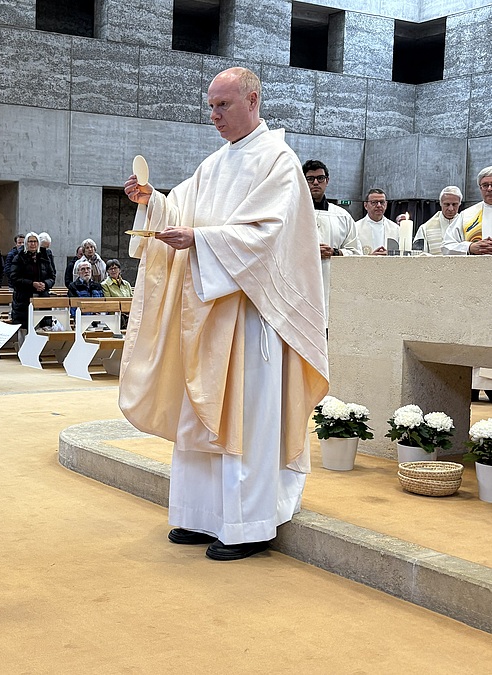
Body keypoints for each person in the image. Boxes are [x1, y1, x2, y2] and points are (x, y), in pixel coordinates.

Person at [121, 67, 328, 561]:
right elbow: (183, 213)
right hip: (208, 312)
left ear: (252, 100)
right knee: (200, 411)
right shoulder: (215, 164)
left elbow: (269, 235)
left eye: (223, 106)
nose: (213, 116)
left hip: (253, 313)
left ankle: (249, 524)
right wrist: (153, 203)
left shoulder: (278, 161)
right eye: (211, 106)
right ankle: (200, 515)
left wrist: (203, 240)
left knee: (247, 414)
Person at [302, 159, 361, 325]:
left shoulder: (342, 216)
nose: (315, 182)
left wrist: (335, 252)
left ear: (327, 181)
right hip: (301, 282)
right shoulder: (291, 212)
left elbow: (356, 251)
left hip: (332, 285)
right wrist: (308, 251)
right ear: (302, 180)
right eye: (310, 178)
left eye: (320, 178)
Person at [441, 167, 492, 255]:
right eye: (485, 185)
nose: (489, 189)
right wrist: (469, 247)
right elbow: (446, 245)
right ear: (480, 188)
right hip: (475, 268)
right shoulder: (467, 215)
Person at [9, 232, 54, 330]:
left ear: (38, 243)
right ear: (26, 243)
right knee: (24, 330)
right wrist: (32, 284)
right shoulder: (18, 258)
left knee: (41, 330)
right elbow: (14, 278)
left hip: (42, 297)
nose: (33, 244)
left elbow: (52, 277)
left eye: (35, 241)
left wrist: (45, 284)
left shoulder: (44, 257)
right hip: (23, 298)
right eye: (30, 241)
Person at [414, 186, 462, 255]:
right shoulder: (425, 228)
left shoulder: (465, 225)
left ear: (460, 204)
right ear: (440, 203)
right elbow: (419, 256)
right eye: (447, 204)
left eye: (454, 204)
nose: (451, 208)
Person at [355, 189, 398, 255]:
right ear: (365, 205)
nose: (379, 205)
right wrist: (370, 258)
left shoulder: (395, 228)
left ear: (386, 204)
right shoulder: (355, 228)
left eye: (382, 202)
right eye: (374, 202)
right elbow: (352, 254)